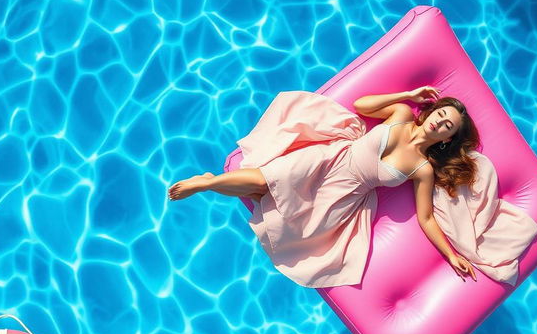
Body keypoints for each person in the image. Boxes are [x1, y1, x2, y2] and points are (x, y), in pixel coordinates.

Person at [167, 87, 517, 288]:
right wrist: (408, 93)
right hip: (330, 160)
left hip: (346, 195)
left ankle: (215, 184)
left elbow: (426, 218)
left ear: (448, 139)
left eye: (449, 127)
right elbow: (362, 105)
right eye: (443, 115)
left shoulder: (423, 169)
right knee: (265, 180)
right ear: (432, 111)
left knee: (268, 200)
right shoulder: (401, 115)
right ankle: (208, 183)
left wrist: (452, 254)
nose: (442, 123)